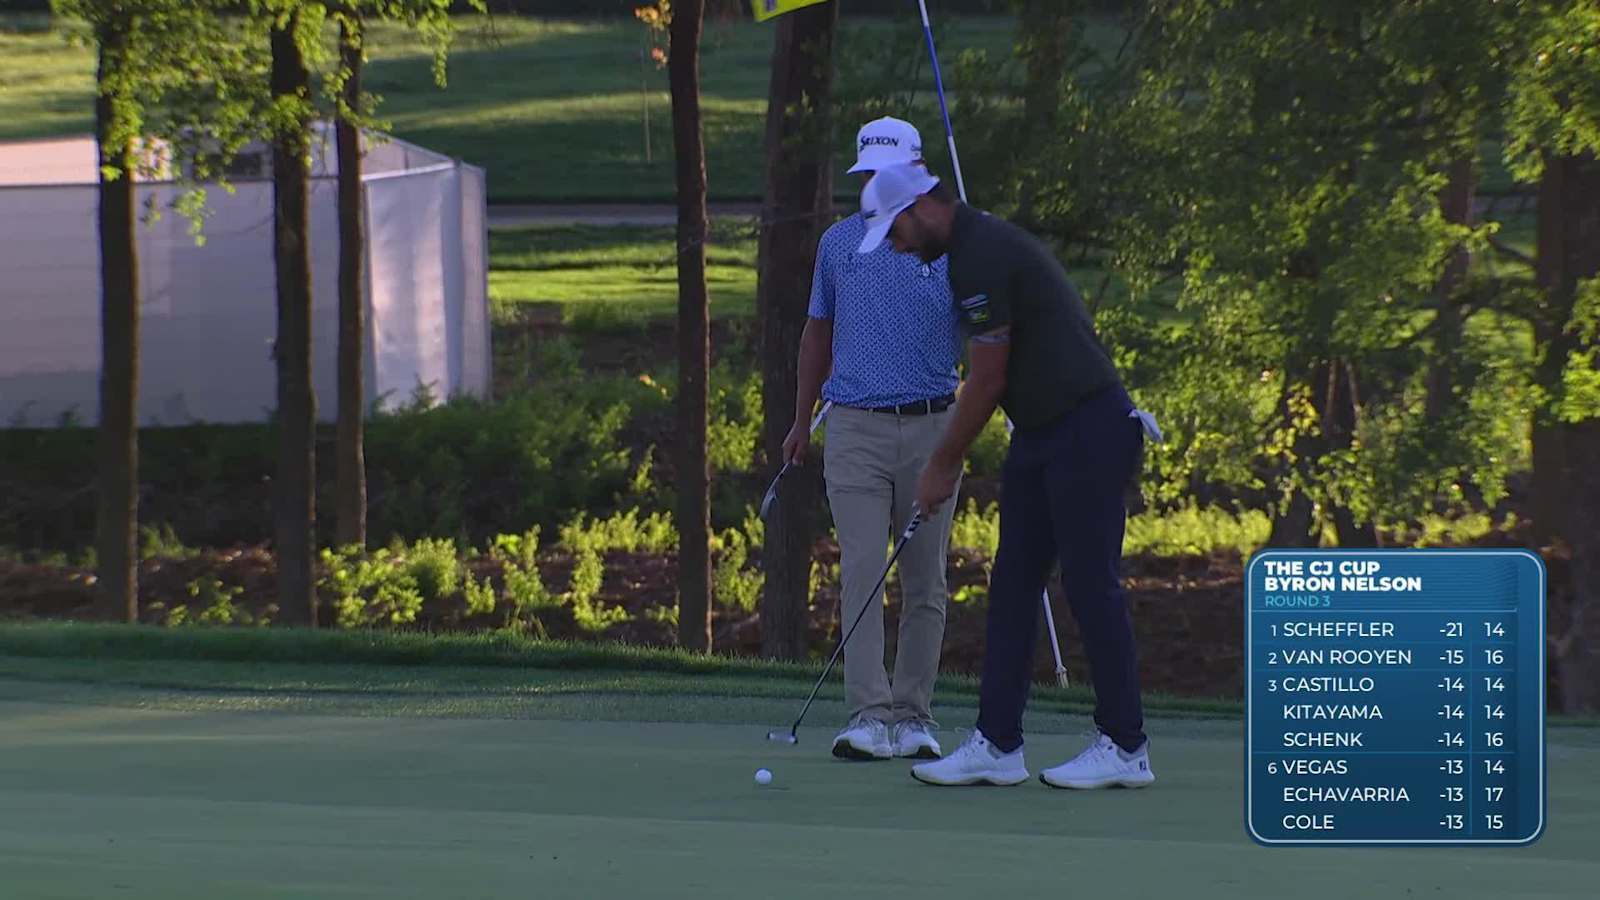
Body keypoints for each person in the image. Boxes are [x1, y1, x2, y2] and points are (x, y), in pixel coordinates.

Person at [853, 162, 1159, 789]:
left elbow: (987, 380)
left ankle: (1127, 747)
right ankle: (998, 744)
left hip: (1090, 429)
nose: (897, 246)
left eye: (896, 232)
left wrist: (940, 464)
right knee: (1014, 584)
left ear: (922, 208)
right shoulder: (969, 251)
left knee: (1090, 586)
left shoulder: (983, 255)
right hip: (1043, 433)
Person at [784, 117, 963, 761]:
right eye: (868, 176)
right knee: (861, 570)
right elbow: (816, 335)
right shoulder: (837, 244)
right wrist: (801, 420)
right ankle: (867, 715)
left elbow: (989, 331)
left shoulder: (946, 244)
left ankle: (914, 716)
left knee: (925, 580)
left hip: (932, 427)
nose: (875, 187)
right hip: (854, 425)